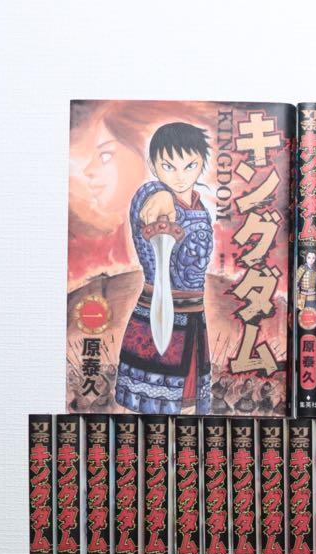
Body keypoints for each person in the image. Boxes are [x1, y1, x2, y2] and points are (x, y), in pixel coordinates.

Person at [115, 122, 214, 414]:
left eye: (190, 165)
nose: (180, 176)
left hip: (194, 316)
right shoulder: (155, 195)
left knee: (189, 407)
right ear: (153, 165)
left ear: (202, 162)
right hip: (157, 314)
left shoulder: (201, 208)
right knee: (153, 411)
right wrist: (160, 192)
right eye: (168, 166)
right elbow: (150, 198)